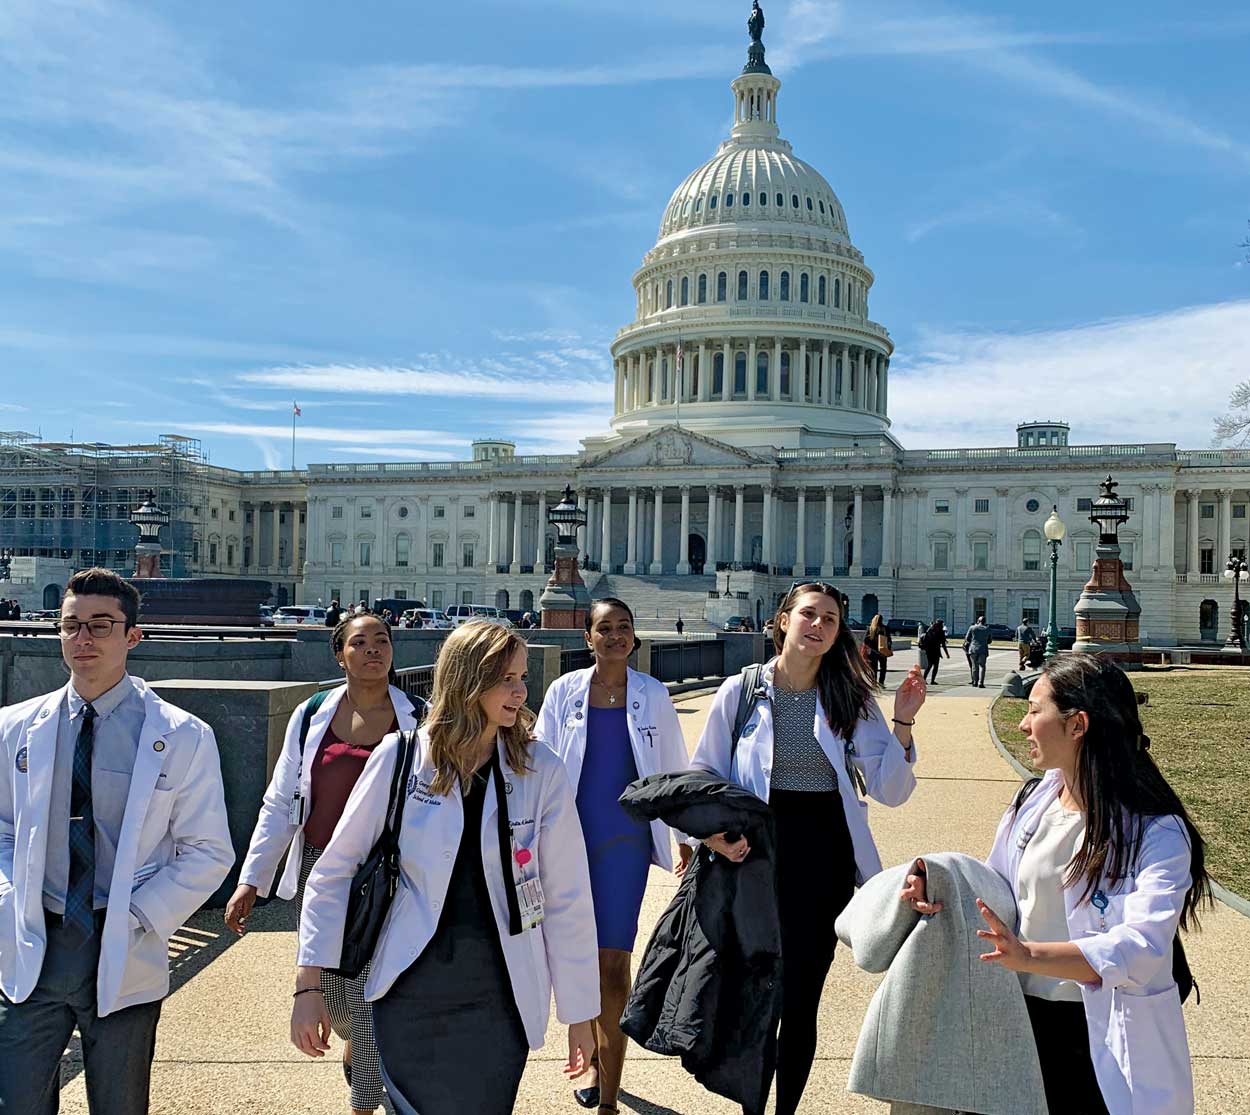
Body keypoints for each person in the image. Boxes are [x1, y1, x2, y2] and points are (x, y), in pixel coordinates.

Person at [293, 621, 600, 1115]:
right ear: (468, 680)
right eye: (506, 679)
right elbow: (334, 871)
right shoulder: (402, 757)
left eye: (523, 677)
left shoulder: (540, 769)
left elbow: (567, 896)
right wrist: (308, 986)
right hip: (409, 987)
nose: (521, 691)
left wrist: (581, 1015)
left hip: (498, 997)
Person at [901, 653, 1211, 1115]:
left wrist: (1031, 956)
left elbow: (1143, 947)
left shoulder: (1157, 831)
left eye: (1034, 710)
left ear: (1077, 725)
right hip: (1019, 1017)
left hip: (1097, 1029)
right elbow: (997, 887)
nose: (1024, 725)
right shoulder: (1035, 798)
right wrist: (936, 877)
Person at [0, 567, 234, 1114]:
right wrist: (9, 897)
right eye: (71, 625)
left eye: (101, 625)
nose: (83, 639)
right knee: (17, 1101)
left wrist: (139, 915)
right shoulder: (14, 727)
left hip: (122, 940)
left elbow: (207, 850)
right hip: (38, 939)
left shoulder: (181, 735)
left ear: (133, 636)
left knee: (120, 1103)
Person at [690, 582, 926, 1115]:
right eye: (809, 615)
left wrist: (904, 721)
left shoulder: (850, 696)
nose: (818, 626)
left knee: (800, 1000)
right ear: (783, 621)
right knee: (755, 998)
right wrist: (706, 835)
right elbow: (703, 772)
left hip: (824, 856)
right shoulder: (742, 690)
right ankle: (751, 1104)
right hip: (755, 856)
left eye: (831, 620)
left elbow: (892, 790)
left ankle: (785, 1111)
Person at [226, 613, 423, 1115]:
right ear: (340, 654)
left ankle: (366, 1099)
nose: (374, 650)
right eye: (361, 642)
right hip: (321, 869)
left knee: (375, 992)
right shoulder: (312, 714)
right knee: (335, 994)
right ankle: (359, 1048)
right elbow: (280, 800)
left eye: (382, 641)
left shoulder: (418, 716)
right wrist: (252, 879)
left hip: (388, 873)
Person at [535, 597, 693, 1115]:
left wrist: (687, 835)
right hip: (568, 840)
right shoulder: (563, 691)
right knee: (572, 957)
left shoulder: (652, 693)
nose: (616, 636)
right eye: (605, 628)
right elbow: (541, 762)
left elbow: (672, 767)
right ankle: (585, 1055)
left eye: (624, 627)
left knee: (612, 964)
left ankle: (607, 1090)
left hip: (623, 842)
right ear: (588, 637)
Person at [919, 619, 949, 685]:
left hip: (928, 650)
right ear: (941, 624)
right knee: (935, 666)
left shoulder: (930, 629)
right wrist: (947, 654)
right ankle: (932, 681)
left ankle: (924, 679)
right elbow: (943, 644)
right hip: (936, 651)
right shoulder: (941, 632)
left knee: (929, 665)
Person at [864, 614, 891, 685]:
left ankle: (874, 683)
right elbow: (889, 640)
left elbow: (865, 641)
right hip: (883, 650)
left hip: (873, 652)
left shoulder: (871, 629)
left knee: (873, 668)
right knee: (883, 668)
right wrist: (889, 649)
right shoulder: (885, 628)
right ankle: (881, 683)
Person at [964, 615, 991, 688]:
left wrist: (973, 642)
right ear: (985, 622)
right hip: (983, 649)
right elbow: (990, 641)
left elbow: (967, 638)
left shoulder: (972, 627)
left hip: (973, 649)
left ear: (978, 621)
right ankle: (981, 683)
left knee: (974, 666)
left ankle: (975, 682)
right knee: (982, 666)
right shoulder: (987, 629)